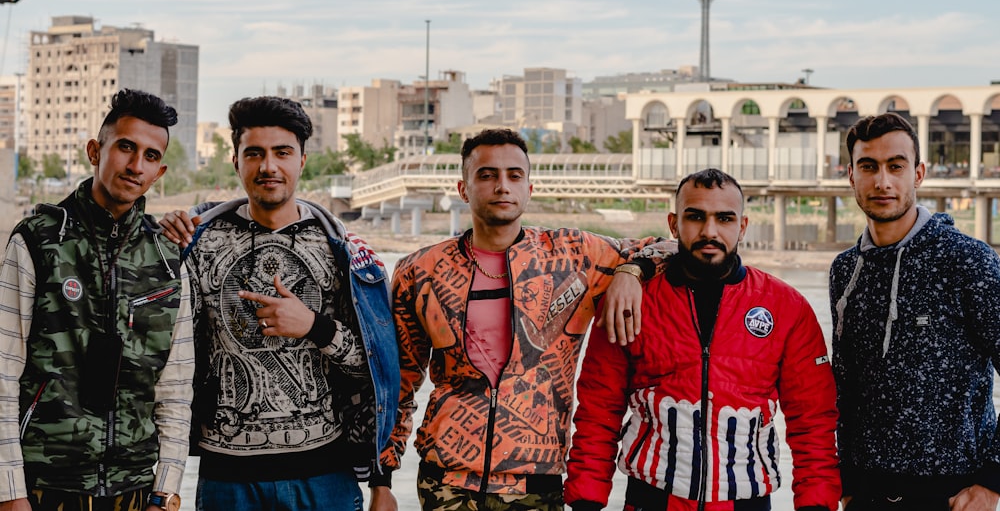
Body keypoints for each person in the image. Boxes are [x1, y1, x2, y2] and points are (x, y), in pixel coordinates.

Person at [369, 127, 676, 511]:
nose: (502, 186)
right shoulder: (420, 270)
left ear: (530, 188)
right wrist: (382, 480)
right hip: (444, 478)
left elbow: (675, 246)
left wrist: (631, 273)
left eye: (514, 176)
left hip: (535, 479)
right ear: (463, 189)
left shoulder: (575, 256)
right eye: (487, 175)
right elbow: (398, 383)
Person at [159, 96, 399, 511]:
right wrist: (163, 243)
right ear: (236, 161)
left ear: (302, 160)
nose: (268, 166)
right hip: (226, 478)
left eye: (282, 152)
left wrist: (314, 327)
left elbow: (377, 369)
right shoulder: (195, 244)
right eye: (255, 153)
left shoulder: (341, 249)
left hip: (325, 476)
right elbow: (170, 363)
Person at [565, 168, 841, 511]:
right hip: (651, 500)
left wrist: (816, 505)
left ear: (742, 226)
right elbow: (597, 413)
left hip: (746, 503)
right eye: (695, 217)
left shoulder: (786, 306)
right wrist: (585, 501)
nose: (710, 231)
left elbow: (812, 422)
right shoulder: (630, 302)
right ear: (673, 223)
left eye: (724, 218)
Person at [0, 89, 193, 511]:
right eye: (125, 147)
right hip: (45, 484)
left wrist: (168, 486)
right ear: (95, 150)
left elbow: (175, 388)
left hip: (136, 489)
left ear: (159, 172)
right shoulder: (39, 240)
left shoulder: (168, 257)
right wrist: (9, 490)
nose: (135, 165)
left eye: (150, 155)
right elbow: (3, 371)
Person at [830, 112, 1000, 511]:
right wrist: (848, 480)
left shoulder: (968, 260)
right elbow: (847, 381)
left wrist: (993, 482)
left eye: (896, 166)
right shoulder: (845, 270)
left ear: (918, 173)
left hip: (952, 494)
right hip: (865, 493)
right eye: (868, 167)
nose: (882, 181)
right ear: (851, 175)